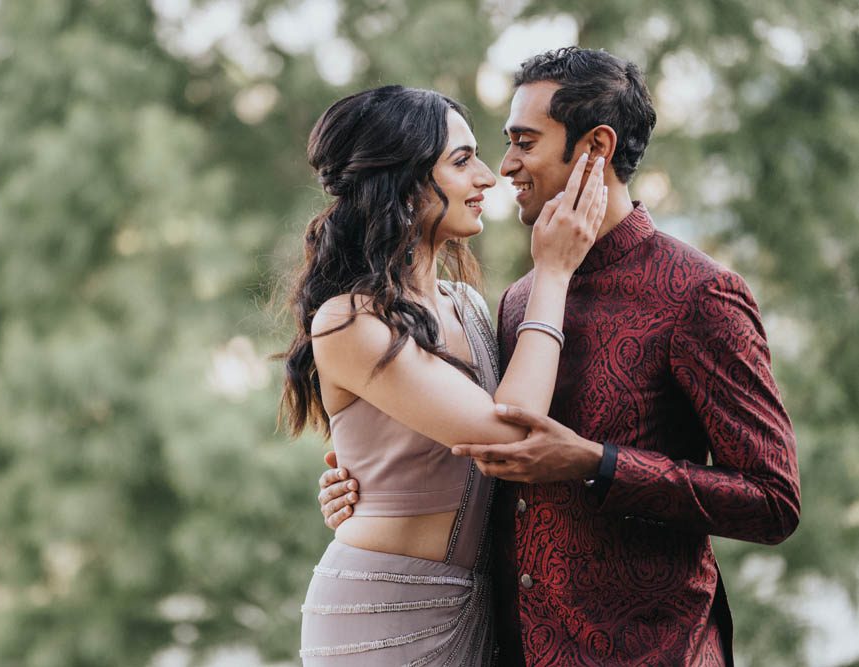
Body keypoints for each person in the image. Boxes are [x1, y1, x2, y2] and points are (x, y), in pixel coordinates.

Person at [318, 48, 801, 666]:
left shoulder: (697, 294)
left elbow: (772, 501)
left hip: (649, 652)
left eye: (523, 142)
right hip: (500, 646)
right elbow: (466, 434)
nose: (505, 167)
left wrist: (598, 465)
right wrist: (358, 476)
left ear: (595, 148)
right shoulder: (520, 300)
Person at [281, 84, 607, 665]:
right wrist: (552, 273)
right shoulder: (350, 320)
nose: (487, 176)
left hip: (475, 606)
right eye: (461, 161)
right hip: (381, 614)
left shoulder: (469, 306)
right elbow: (510, 438)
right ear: (404, 184)